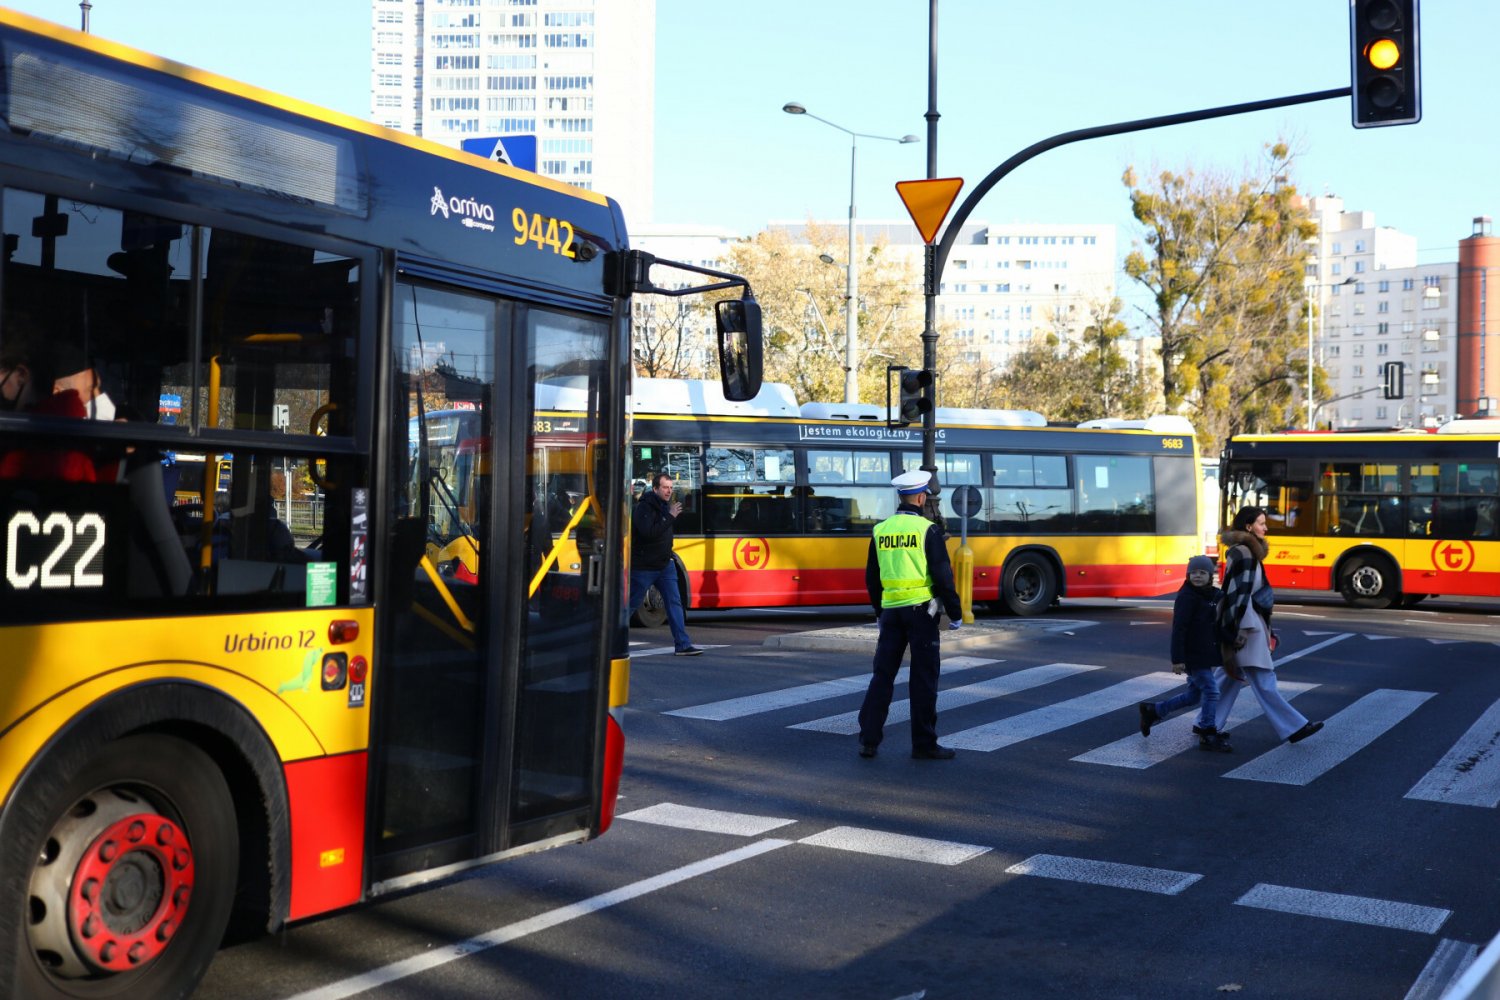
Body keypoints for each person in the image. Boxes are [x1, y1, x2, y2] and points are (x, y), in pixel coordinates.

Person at [857, 470, 964, 760]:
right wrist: (955, 613)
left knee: (882, 676)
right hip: (922, 613)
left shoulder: (881, 530)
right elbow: (943, 577)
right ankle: (924, 744)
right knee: (923, 679)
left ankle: (869, 740)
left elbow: (872, 578)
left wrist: (880, 612)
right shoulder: (927, 530)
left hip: (891, 613)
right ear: (920, 497)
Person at [1212, 505, 1323, 745]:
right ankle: (1295, 727)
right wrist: (1240, 629)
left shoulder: (1245, 552)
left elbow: (1240, 595)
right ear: (1249, 526)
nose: (1266, 527)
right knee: (1263, 680)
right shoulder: (1244, 554)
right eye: (1261, 523)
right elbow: (1237, 596)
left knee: (1227, 678)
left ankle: (1203, 723)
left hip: (1250, 624)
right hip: (1247, 627)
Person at [1138, 555, 1231, 752]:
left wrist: (1231, 639)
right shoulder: (1187, 597)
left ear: (1210, 576)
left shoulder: (1211, 595)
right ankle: (1208, 732)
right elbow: (1179, 628)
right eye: (1194, 572)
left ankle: (1154, 711)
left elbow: (1214, 625)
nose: (1198, 576)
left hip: (1204, 654)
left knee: (1194, 695)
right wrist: (1178, 659)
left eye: (1202, 573)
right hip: (1193, 655)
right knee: (1212, 691)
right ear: (1188, 575)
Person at [626, 471, 701, 655]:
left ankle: (683, 644)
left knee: (674, 603)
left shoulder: (664, 507)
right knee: (631, 604)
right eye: (665, 488)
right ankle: (610, 639)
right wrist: (670, 516)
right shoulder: (643, 508)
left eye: (670, 488)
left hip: (664, 564)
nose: (669, 491)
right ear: (655, 489)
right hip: (644, 566)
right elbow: (648, 532)